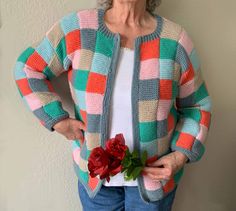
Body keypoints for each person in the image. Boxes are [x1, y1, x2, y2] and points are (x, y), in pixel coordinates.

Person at [13, 0, 212, 210]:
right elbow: (27, 68)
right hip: (97, 183)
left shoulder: (175, 40)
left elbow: (197, 106)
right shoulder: (78, 29)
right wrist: (58, 119)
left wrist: (180, 155)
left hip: (153, 185)